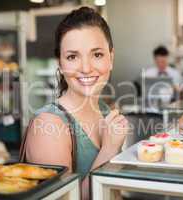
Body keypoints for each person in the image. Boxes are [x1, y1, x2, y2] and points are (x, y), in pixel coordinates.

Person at [19, 7, 128, 199]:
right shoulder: (48, 125)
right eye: (72, 57)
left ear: (111, 58)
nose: (86, 68)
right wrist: (109, 149)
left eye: (97, 55)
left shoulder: (104, 111)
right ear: (60, 65)